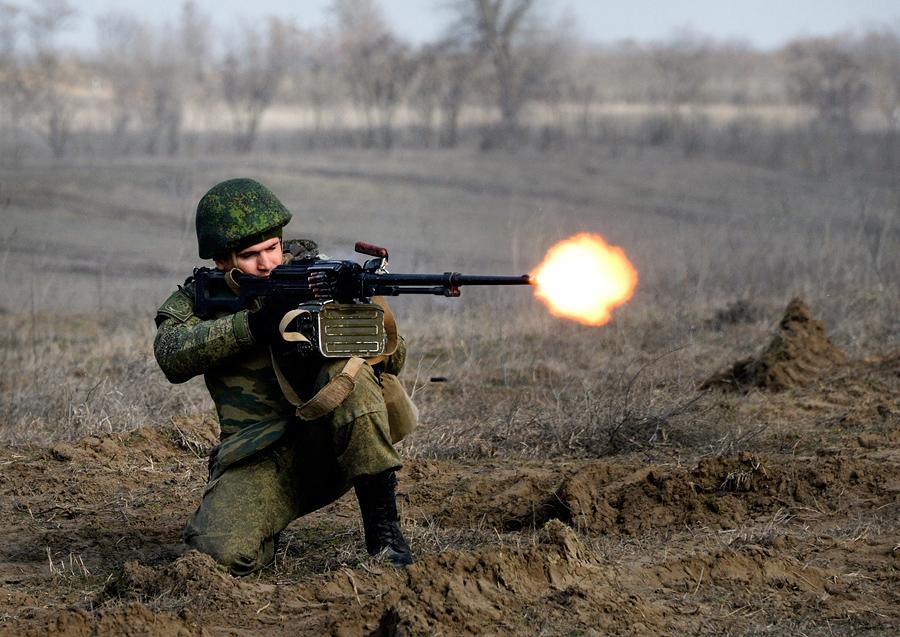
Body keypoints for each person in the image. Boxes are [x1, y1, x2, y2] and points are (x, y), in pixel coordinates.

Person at [153, 177, 413, 576]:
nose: (267, 263)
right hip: (260, 456)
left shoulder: (317, 277)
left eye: (272, 248)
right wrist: (255, 325)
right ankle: (263, 520)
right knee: (217, 554)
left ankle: (385, 534)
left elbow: (395, 363)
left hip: (335, 440)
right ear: (222, 261)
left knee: (349, 377)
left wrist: (352, 311)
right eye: (249, 255)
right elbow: (172, 356)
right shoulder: (197, 299)